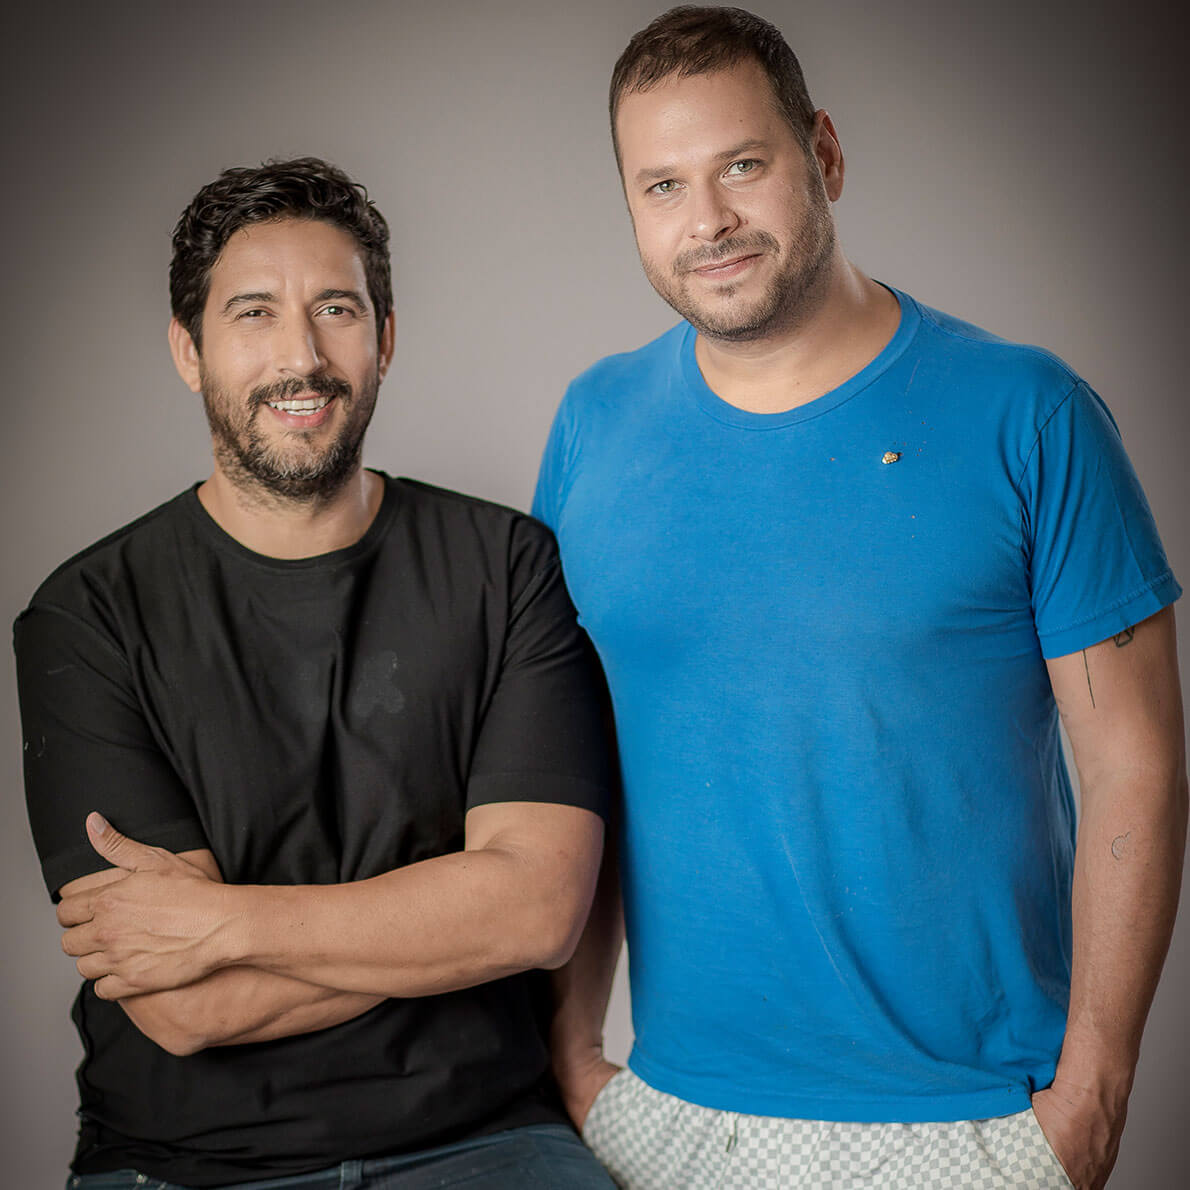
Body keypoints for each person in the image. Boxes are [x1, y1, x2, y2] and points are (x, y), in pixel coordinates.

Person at [535, 8, 1187, 1189]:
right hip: (675, 1112)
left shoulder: (1027, 415)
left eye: (742, 165)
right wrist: (575, 1058)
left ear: (821, 155)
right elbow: (566, 760)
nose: (709, 220)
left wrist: (1089, 1097)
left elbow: (1132, 765)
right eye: (663, 185)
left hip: (966, 1118)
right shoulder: (593, 425)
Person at [15, 157, 618, 1190]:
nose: (301, 355)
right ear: (188, 350)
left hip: (481, 1140)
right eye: (253, 313)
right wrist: (447, 928)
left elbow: (536, 913)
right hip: (182, 1162)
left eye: (335, 308)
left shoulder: (506, 566)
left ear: (384, 338)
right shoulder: (87, 615)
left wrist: (226, 922)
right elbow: (181, 1004)